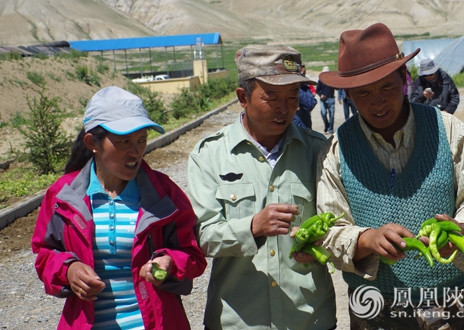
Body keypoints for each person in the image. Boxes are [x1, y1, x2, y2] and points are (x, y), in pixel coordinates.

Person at [316, 23, 464, 329]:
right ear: (347, 94)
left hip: (455, 298)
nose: (377, 101)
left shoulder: (449, 129)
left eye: (387, 87)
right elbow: (330, 228)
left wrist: (463, 231)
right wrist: (366, 239)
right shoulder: (335, 150)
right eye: (363, 93)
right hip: (376, 306)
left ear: (404, 79)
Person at [31, 86, 207, 329]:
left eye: (142, 139)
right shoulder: (62, 195)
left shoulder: (164, 194)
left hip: (156, 322)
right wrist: (68, 270)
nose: (136, 150)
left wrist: (168, 263)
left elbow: (193, 253)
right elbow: (44, 254)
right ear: (93, 142)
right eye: (124, 141)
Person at [187, 45, 336, 330]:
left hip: (309, 318)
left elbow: (341, 222)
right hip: (239, 321)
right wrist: (252, 228)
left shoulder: (319, 151)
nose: (285, 108)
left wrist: (325, 243)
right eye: (272, 97)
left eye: (293, 96)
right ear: (243, 97)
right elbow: (202, 236)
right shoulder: (209, 155)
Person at [316, 66, 336, 134]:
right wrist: (321, 94)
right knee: (324, 113)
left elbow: (337, 88)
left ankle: (330, 129)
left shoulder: (332, 80)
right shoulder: (320, 81)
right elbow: (317, 90)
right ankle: (327, 125)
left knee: (332, 115)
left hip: (331, 99)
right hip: (323, 100)